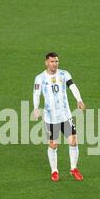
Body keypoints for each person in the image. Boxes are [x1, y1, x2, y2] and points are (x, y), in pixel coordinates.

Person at [33, 52, 85, 181]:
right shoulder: (39, 78)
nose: (54, 64)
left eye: (56, 61)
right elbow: (36, 93)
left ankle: (73, 169)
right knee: (53, 145)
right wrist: (35, 107)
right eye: (52, 61)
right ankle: (54, 171)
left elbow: (72, 86)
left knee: (73, 141)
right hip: (51, 118)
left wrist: (79, 99)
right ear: (46, 62)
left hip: (65, 116)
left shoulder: (64, 74)